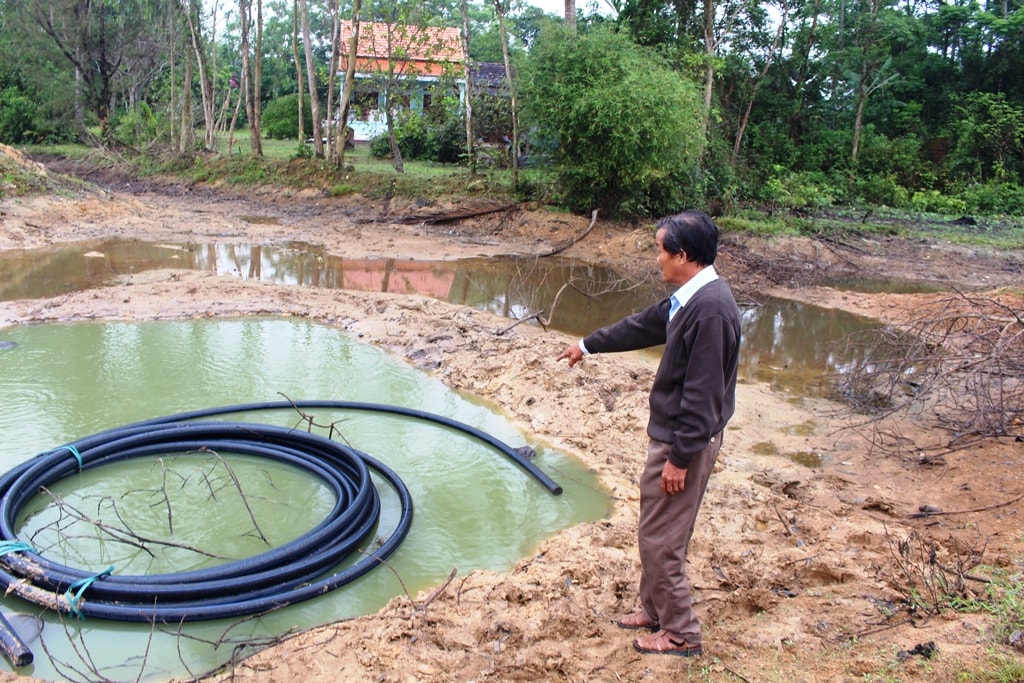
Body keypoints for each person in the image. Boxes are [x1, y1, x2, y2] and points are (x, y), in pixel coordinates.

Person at [556, 209, 741, 657]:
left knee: (662, 539)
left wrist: (680, 457)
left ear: (682, 254)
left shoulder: (711, 310)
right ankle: (655, 609)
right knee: (654, 528)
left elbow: (703, 395)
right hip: (675, 438)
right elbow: (643, 325)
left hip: (684, 443)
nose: (655, 258)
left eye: (660, 250)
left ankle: (680, 632)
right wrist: (587, 344)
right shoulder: (689, 298)